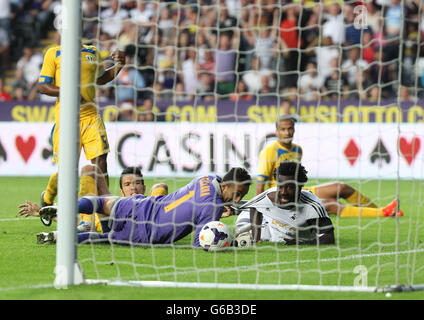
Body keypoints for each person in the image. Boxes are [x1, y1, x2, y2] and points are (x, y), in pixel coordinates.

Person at [38, 167, 251, 247]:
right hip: (149, 232)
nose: (237, 198)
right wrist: (228, 240)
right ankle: (60, 238)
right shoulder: (212, 206)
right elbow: (200, 242)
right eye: (237, 193)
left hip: (144, 204)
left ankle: (65, 209)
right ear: (224, 186)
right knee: (105, 238)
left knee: (103, 203)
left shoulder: (207, 177)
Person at [256, 114, 403, 218]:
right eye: (283, 129)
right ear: (276, 132)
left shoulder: (297, 150)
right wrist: (261, 210)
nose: (287, 132)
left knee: (342, 187)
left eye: (290, 128)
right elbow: (260, 183)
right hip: (281, 197)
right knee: (333, 204)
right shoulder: (269, 152)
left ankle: (383, 211)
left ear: (294, 129)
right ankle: (383, 212)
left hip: (301, 192)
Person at [37, 41, 126, 208]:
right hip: (66, 118)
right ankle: (48, 196)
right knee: (67, 170)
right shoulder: (54, 53)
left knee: (101, 160)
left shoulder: (92, 52)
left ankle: (103, 204)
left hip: (91, 115)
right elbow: (43, 86)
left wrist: (119, 65)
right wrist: (69, 92)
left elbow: (101, 79)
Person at [18, 165, 169, 239]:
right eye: (127, 185)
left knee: (160, 186)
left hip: (145, 216)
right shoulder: (110, 205)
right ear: (122, 192)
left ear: (143, 187)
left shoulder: (149, 202)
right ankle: (48, 201)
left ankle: (78, 225)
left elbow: (161, 187)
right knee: (88, 169)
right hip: (111, 225)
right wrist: (41, 213)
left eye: (136, 183)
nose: (133, 188)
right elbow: (75, 220)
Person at [235, 161, 335, 245]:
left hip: (294, 234)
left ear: (300, 187)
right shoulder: (269, 197)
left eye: (290, 187)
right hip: (269, 230)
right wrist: (256, 238)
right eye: (280, 186)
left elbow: (329, 237)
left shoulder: (312, 207)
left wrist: (302, 243)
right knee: (238, 234)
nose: (283, 192)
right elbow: (254, 207)